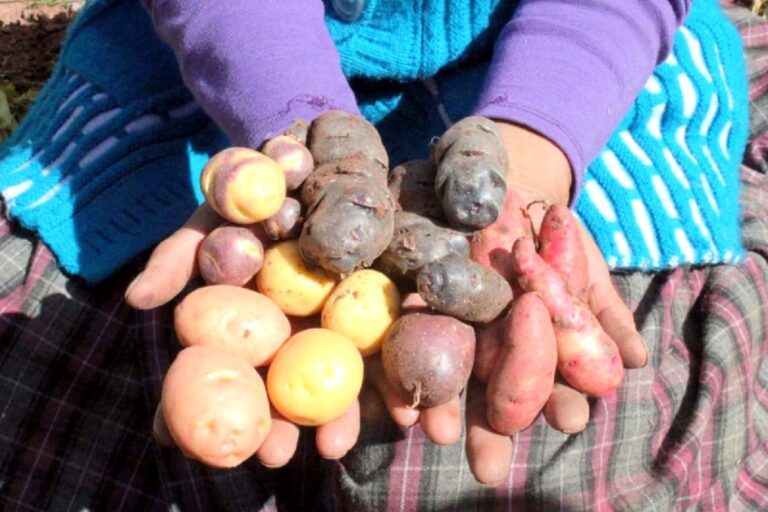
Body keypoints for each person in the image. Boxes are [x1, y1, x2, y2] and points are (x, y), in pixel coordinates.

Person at [0, 0, 765, 511]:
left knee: (567, 446)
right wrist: (289, 118)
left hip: (579, 66)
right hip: (226, 60)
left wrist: (533, 155)